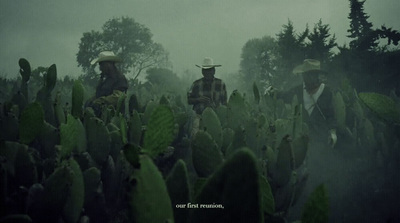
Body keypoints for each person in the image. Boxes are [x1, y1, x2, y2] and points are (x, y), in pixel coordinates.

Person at [271, 59, 337, 147]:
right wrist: (272, 92)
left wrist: (333, 133)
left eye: (312, 74)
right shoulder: (298, 91)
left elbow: (331, 115)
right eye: (306, 75)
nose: (309, 77)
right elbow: (284, 95)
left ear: (317, 75)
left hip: (321, 141)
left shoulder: (326, 92)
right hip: (300, 141)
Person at [187, 57, 227, 135]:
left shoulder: (221, 84)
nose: (207, 73)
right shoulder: (196, 84)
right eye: (205, 70)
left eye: (209, 70)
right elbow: (189, 100)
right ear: (202, 71)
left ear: (214, 71)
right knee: (195, 136)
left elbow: (224, 104)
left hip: (216, 118)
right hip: (199, 116)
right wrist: (198, 100)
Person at [85, 51, 128, 115]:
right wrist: (91, 100)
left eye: (102, 65)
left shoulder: (119, 78)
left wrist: (101, 100)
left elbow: (117, 97)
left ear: (108, 65)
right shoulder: (105, 79)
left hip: (114, 115)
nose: (100, 68)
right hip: (101, 114)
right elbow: (100, 93)